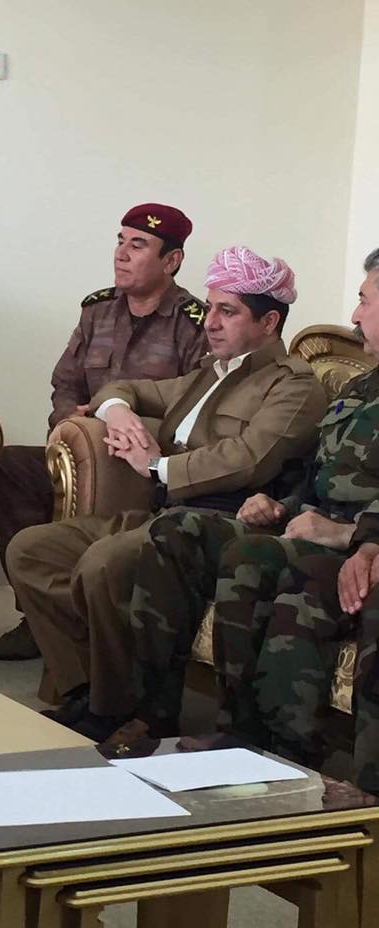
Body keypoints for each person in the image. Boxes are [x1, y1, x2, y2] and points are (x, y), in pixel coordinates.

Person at [6, 245, 327, 739]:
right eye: (211, 306)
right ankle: (84, 686)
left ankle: (114, 709)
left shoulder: (293, 386)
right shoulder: (209, 373)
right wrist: (116, 411)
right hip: (162, 514)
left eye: (228, 311)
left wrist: (156, 465)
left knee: (102, 564)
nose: (211, 322)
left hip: (223, 525)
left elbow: (249, 457)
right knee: (31, 551)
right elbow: (128, 386)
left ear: (269, 324)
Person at [134, 246, 379, 793]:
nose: (355, 315)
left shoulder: (294, 381)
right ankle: (215, 728)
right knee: (217, 543)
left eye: (365, 300)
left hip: (352, 536)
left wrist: (355, 536)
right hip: (319, 527)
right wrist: (283, 504)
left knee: (276, 570)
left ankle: (291, 755)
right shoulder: (364, 386)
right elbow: (319, 471)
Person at [0, 202, 208, 660]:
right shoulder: (97, 311)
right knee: (5, 466)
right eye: (120, 241)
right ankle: (39, 612)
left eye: (138, 245)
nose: (121, 254)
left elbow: (192, 409)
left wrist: (122, 428)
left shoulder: (194, 324)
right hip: (78, 449)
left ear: (172, 261)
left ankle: (84, 621)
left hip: (137, 463)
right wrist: (73, 422)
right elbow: (64, 383)